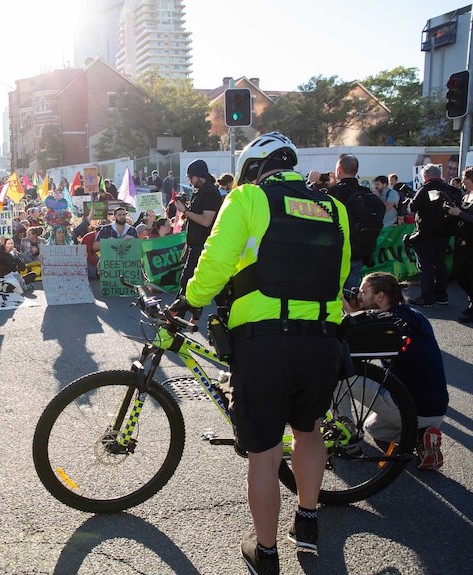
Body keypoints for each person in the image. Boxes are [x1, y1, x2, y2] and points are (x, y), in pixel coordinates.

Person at [173, 132, 349, 574]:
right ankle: (307, 521)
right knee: (309, 430)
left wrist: (191, 301)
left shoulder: (248, 198)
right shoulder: (333, 207)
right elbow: (340, 270)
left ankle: (265, 553)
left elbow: (215, 260)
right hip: (323, 340)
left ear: (253, 169)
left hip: (266, 343)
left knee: (266, 452)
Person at [351, 272, 448, 469]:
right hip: (436, 409)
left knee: (341, 376)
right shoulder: (414, 315)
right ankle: (422, 436)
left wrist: (351, 313)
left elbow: (350, 352)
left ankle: (346, 435)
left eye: (363, 291)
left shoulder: (386, 322)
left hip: (411, 406)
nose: (359, 296)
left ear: (380, 296)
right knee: (374, 428)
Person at [326, 154, 384, 290]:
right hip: (359, 251)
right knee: (352, 292)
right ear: (356, 170)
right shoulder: (366, 193)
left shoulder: (334, 192)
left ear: (339, 169)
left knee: (334, 292)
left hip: (338, 251)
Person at [408, 164, 464, 307]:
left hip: (425, 234)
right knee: (440, 265)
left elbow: (412, 208)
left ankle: (427, 298)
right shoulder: (451, 190)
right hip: (444, 233)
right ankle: (442, 296)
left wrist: (410, 200)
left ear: (426, 176)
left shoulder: (426, 189)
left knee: (426, 267)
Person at [175, 159, 223, 293]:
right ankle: (189, 313)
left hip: (204, 244)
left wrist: (185, 210)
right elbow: (193, 217)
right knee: (195, 282)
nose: (190, 181)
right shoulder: (200, 190)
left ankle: (176, 312)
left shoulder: (210, 192)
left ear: (197, 176)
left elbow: (206, 220)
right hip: (196, 243)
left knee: (187, 282)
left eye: (190, 177)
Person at [447, 167, 473, 322]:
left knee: (469, 276)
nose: (462, 181)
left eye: (465, 178)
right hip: (462, 242)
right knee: (460, 275)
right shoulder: (467, 195)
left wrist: (460, 213)